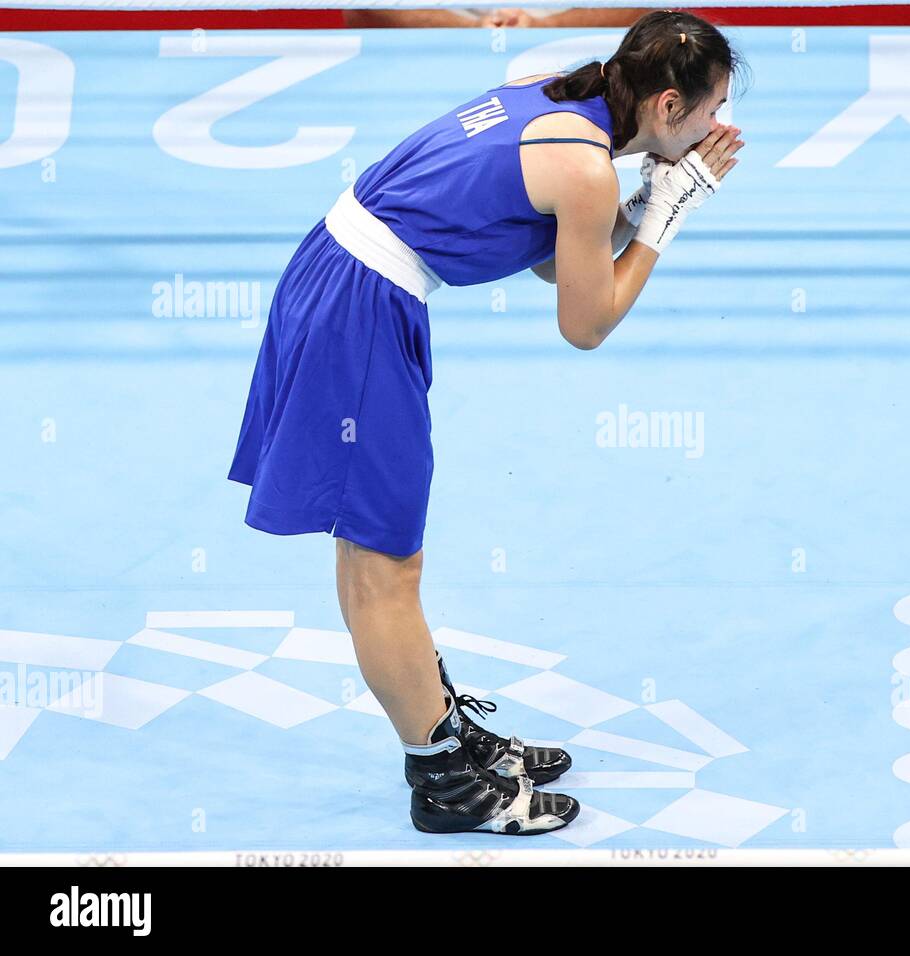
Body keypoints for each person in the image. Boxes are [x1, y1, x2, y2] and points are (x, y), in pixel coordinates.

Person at [228, 10, 747, 836]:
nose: (718, 128)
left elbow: (547, 257)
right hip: (357, 311)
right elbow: (586, 321)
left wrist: (648, 184)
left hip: (345, 284)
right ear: (669, 106)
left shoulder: (554, 95)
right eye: (712, 111)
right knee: (383, 564)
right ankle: (441, 777)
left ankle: (439, 726)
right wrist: (664, 216)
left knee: (383, 553)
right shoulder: (585, 169)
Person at [343, 6, 645, 29]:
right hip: (437, 52)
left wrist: (548, 26)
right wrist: (467, 28)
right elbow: (359, 9)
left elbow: (651, 6)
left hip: (573, 55)